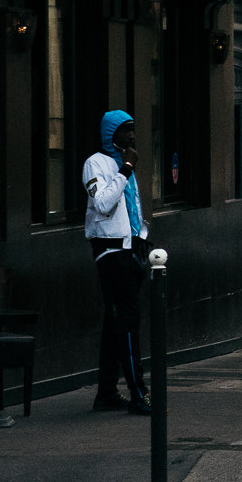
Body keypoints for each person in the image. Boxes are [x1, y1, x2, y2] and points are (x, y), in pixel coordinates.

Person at [84, 110, 150, 414]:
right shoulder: (95, 163)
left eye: (134, 130)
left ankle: (107, 393)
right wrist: (125, 169)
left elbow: (133, 209)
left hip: (132, 250)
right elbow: (102, 203)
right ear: (111, 133)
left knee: (115, 324)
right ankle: (139, 393)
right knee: (127, 322)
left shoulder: (126, 166)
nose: (132, 137)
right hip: (110, 253)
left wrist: (144, 237)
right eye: (126, 131)